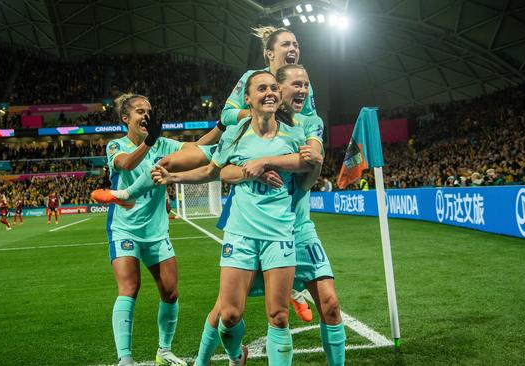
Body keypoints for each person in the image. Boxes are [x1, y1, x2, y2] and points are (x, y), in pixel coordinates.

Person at [152, 71, 313, 366]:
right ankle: (237, 355)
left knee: (278, 315)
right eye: (261, 89)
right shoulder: (235, 133)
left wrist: (266, 162)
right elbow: (211, 171)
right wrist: (172, 176)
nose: (270, 93)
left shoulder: (294, 133)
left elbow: (308, 161)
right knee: (228, 314)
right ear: (247, 99)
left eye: (274, 88)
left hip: (279, 232)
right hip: (240, 232)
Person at [205, 65, 345, 366]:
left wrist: (287, 162)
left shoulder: (307, 125)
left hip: (294, 227)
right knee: (227, 314)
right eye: (296, 83)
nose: (303, 90)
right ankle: (231, 355)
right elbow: (219, 167)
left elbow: (309, 170)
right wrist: (248, 169)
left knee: (311, 308)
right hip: (249, 227)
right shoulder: (244, 128)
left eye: (307, 84)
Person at [99, 93, 189, 366]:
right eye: (140, 111)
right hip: (124, 228)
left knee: (171, 292)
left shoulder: (163, 143)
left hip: (157, 231)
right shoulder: (116, 146)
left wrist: (222, 127)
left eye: (149, 111)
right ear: (126, 118)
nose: (146, 116)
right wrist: (150, 143)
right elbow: (127, 163)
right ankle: (124, 359)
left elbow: (196, 148)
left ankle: (164, 351)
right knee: (129, 287)